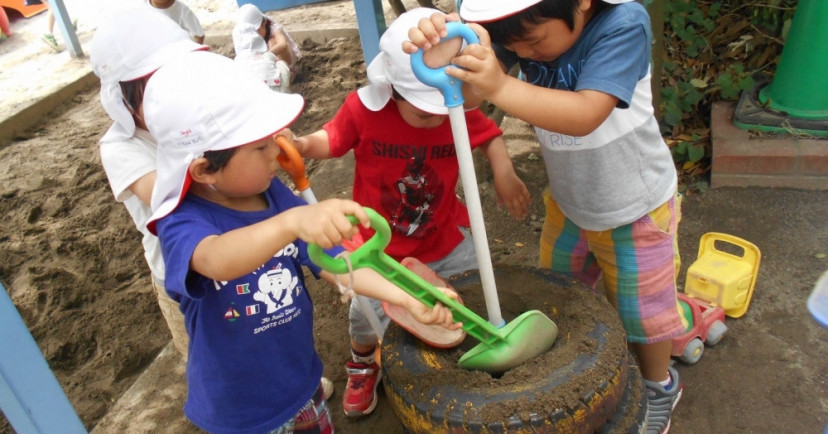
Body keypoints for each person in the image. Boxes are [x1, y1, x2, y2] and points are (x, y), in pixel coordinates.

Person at [143, 50, 461, 434]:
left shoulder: (272, 195)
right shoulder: (181, 222)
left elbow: (340, 263)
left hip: (301, 383)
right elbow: (216, 259)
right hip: (240, 411)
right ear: (204, 169)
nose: (277, 154)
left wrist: (408, 300)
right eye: (260, 148)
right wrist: (292, 222)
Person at [406, 1, 686, 433]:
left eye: (534, 42)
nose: (527, 53)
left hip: (634, 209)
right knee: (560, 291)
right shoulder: (521, 30)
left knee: (643, 315)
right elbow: (473, 92)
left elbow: (584, 115)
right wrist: (448, 55)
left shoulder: (623, 25)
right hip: (570, 205)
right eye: (514, 45)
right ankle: (583, 366)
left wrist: (500, 85)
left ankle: (658, 385)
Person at [292, 7, 530, 418]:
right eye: (424, 111)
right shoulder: (364, 110)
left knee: (470, 286)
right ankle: (363, 363)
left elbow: (489, 135)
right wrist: (301, 146)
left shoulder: (452, 105)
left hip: (442, 233)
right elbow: (329, 140)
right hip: (377, 246)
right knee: (366, 316)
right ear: (393, 91)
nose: (436, 116)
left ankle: (478, 338)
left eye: (443, 108)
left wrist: (504, 170)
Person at [89, 6, 209, 360]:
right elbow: (169, 196)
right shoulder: (120, 148)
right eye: (154, 86)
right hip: (179, 277)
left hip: (233, 249)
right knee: (208, 360)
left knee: (262, 329)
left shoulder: (193, 116)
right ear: (122, 97)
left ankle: (287, 395)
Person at [234, 3, 302, 85]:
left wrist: (267, 55)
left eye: (256, 30)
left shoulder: (274, 29)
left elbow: (283, 44)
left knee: (272, 42)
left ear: (264, 23)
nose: (254, 34)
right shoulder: (251, 38)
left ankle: (289, 74)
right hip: (267, 66)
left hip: (285, 63)